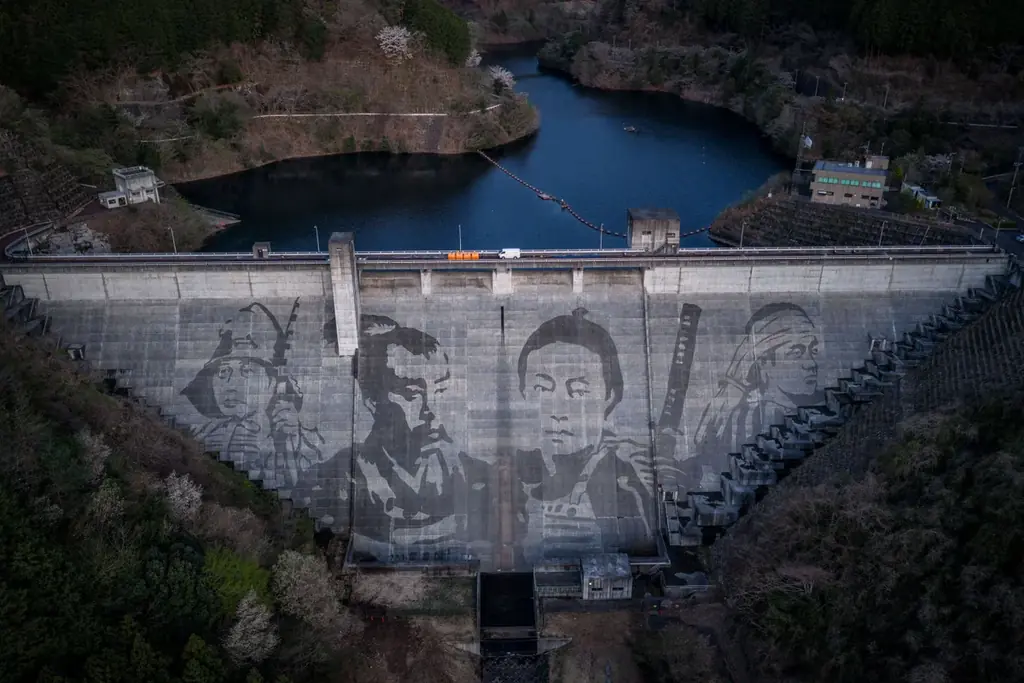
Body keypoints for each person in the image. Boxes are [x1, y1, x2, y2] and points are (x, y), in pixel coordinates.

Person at [326, 314, 492, 563]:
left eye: (440, 391)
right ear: (373, 402)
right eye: (413, 395)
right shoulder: (340, 482)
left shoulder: (478, 477)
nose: (432, 411)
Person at [513, 307, 654, 564]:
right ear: (524, 393)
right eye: (543, 389)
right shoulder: (514, 472)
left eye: (577, 392)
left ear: (609, 398)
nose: (558, 411)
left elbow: (639, 554)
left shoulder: (624, 482)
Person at [181, 300, 325, 489]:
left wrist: (291, 439)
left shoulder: (293, 434)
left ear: (273, 383)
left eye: (247, 371)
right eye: (223, 373)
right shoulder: (205, 434)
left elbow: (312, 478)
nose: (230, 386)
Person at [692, 302, 824, 485]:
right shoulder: (744, 418)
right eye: (796, 353)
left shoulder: (825, 404)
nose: (811, 363)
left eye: (813, 350)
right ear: (764, 362)